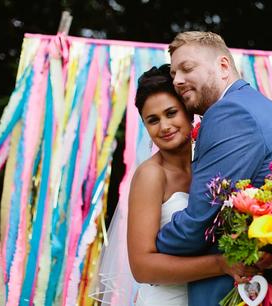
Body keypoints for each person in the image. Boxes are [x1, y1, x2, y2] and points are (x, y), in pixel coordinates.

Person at [155, 31, 272, 306]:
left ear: (223, 66)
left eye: (187, 68)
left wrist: (150, 252)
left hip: (249, 292)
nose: (177, 80)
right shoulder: (259, 106)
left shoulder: (230, 113)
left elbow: (199, 223)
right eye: (174, 73)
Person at [93, 64, 253, 305]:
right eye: (152, 120)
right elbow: (143, 268)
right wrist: (221, 264)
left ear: (188, 111)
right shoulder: (151, 175)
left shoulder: (210, 162)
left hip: (213, 296)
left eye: (171, 113)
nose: (164, 127)